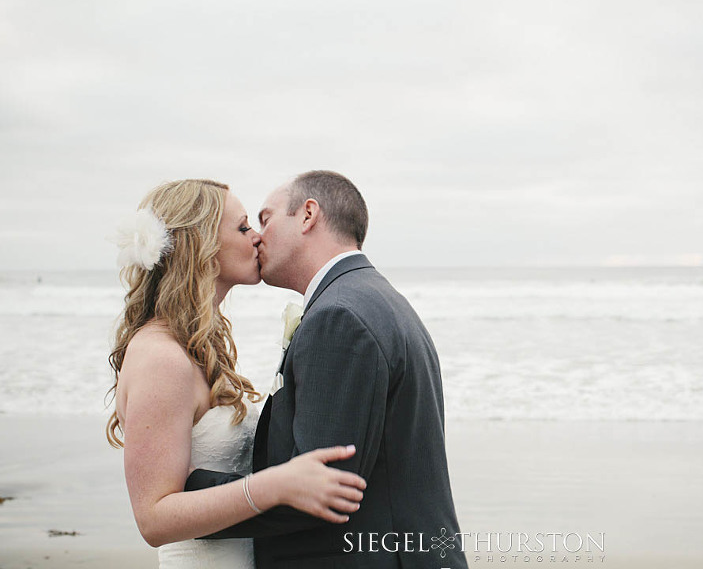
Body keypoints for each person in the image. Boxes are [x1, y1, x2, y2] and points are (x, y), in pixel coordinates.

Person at [186, 171, 469, 569]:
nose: (256, 237)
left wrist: (186, 497)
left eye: (265, 220)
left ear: (307, 215)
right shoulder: (375, 298)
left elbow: (319, 491)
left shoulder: (339, 316)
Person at [106, 179, 367, 569]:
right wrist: (274, 486)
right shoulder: (161, 357)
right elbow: (153, 518)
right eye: (244, 227)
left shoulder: (197, 345)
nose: (258, 238)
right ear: (202, 245)